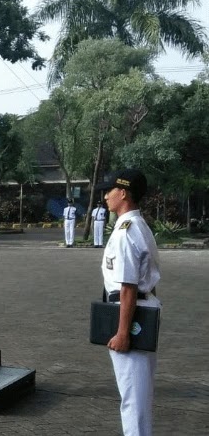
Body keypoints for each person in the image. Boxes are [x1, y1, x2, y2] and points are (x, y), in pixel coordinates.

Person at [95, 169, 160, 436]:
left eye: (109, 191)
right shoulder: (139, 225)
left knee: (133, 399)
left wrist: (123, 333)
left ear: (122, 193)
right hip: (143, 309)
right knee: (139, 394)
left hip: (131, 316)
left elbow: (128, 287)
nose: (105, 196)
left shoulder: (125, 231)